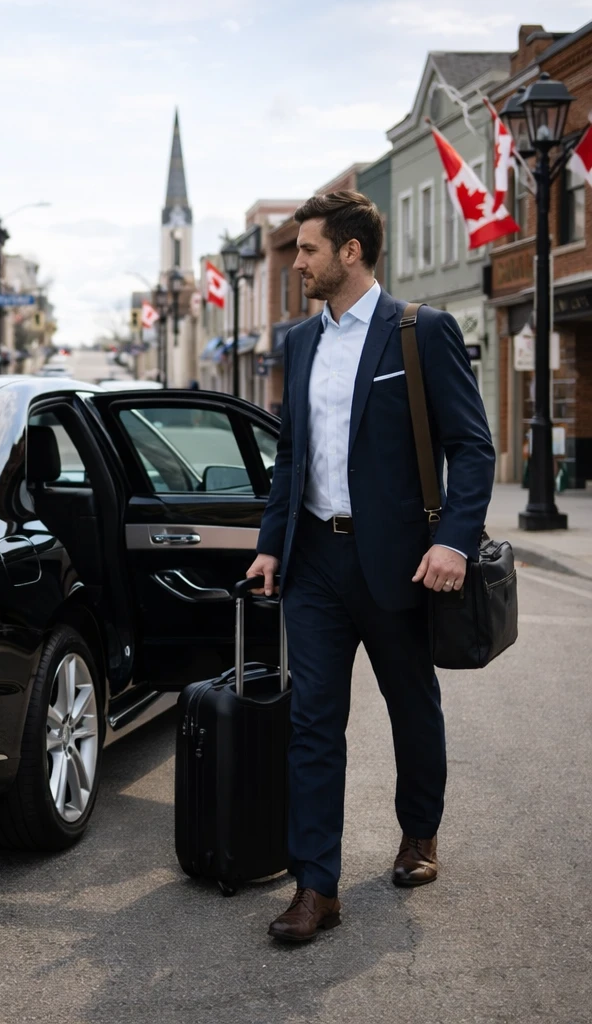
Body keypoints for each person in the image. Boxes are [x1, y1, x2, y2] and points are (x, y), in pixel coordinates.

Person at [245, 191, 495, 943]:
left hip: (398, 561)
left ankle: (419, 833)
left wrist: (452, 541)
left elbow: (473, 447)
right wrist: (269, 542)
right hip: (314, 560)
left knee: (410, 705)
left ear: (350, 252)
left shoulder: (420, 333)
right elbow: (293, 456)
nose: (297, 263)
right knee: (314, 721)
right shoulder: (298, 342)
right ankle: (314, 886)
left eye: (308, 250)